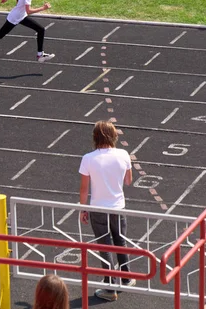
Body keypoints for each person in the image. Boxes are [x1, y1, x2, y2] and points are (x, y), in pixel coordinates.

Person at [79, 120, 134, 302]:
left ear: (95, 137)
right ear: (113, 136)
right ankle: (126, 278)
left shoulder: (88, 158)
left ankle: (110, 286)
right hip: (118, 207)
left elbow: (84, 189)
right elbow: (128, 181)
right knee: (120, 241)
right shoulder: (124, 154)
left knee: (104, 245)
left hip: (98, 208)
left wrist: (82, 209)